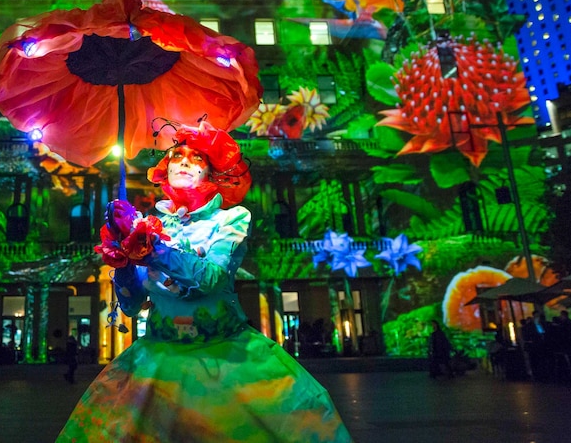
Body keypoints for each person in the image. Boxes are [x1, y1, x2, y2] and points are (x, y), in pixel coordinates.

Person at [57, 121, 352, 442]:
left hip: (226, 361)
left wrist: (152, 248)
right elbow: (130, 305)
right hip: (157, 362)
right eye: (176, 155)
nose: (183, 161)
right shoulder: (150, 225)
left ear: (211, 172)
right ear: (165, 169)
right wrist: (124, 260)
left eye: (196, 158)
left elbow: (211, 277)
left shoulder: (231, 219)